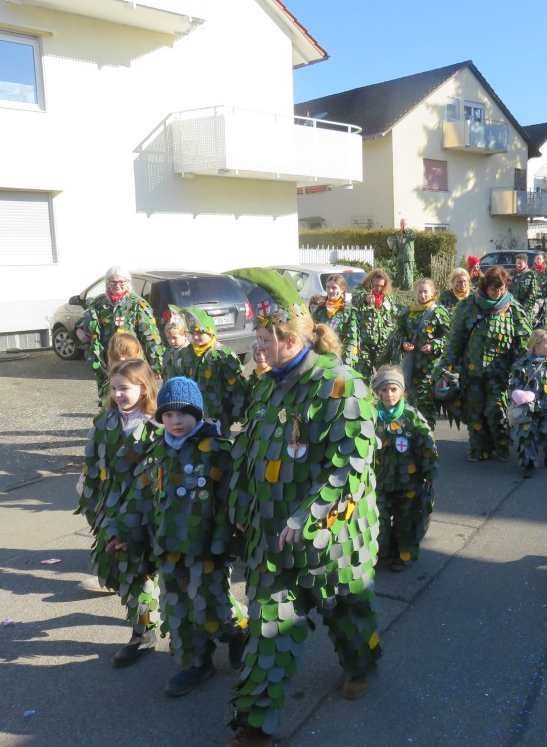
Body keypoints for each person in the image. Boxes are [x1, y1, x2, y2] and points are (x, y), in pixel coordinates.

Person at [224, 268, 381, 746]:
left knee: (346, 611)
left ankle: (362, 665)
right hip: (273, 538)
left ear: (290, 338)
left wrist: (307, 516)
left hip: (332, 538)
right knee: (269, 626)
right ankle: (255, 728)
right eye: (257, 339)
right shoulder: (268, 385)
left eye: (264, 339)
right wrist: (239, 507)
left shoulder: (341, 385)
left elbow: (351, 465)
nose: (258, 348)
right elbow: (251, 452)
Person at [137, 376, 245, 697]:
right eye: (167, 415)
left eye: (183, 413)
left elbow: (229, 500)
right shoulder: (157, 451)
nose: (175, 421)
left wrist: (226, 541)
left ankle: (239, 630)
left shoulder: (216, 450)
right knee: (177, 607)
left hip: (207, 547)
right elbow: (148, 497)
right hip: (169, 546)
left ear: (198, 413)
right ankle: (197, 663)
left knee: (209, 605)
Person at [76, 359, 162, 665]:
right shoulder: (105, 423)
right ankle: (143, 632)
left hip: (150, 511)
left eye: (124, 388)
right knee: (128, 569)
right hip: (113, 509)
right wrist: (89, 498)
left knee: (185, 579)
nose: (118, 395)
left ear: (144, 387)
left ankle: (235, 626)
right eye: (113, 389)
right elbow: (93, 466)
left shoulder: (157, 427)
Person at [437, 266, 532, 462]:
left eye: (502, 288)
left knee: (496, 409)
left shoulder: (513, 308)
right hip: (471, 371)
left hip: (500, 372)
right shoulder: (468, 306)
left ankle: (502, 444)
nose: (498, 293)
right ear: (484, 286)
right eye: (493, 289)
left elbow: (524, 340)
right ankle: (479, 448)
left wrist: (528, 364)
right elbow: (455, 339)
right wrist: (447, 365)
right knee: (475, 411)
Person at [371, 366, 439, 572]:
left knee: (406, 521)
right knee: (378, 521)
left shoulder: (412, 417)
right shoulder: (371, 416)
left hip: (408, 483)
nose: (388, 394)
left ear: (402, 391)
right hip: (378, 482)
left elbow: (428, 447)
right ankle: (382, 551)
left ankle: (403, 555)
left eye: (393, 389)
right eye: (383, 390)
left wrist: (430, 473)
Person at [75, 266, 164, 402]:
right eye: (113, 282)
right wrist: (80, 330)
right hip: (108, 360)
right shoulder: (99, 303)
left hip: (132, 359)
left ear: (127, 282)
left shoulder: (138, 304)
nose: (117, 285)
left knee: (133, 393)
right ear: (107, 283)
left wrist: (156, 365)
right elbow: (84, 322)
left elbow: (151, 337)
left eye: (121, 282)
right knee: (111, 396)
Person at [163, 308, 247, 437]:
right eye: (194, 333)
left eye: (200, 333)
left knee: (217, 444)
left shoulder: (222, 354)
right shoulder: (188, 352)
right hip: (193, 411)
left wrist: (236, 411)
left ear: (211, 333)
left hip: (217, 412)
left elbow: (237, 386)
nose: (196, 337)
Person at [507, 329, 547, 477]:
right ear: (536, 346)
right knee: (527, 435)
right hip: (527, 408)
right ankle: (528, 463)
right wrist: (517, 395)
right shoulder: (522, 364)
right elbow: (515, 384)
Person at [388, 277, 450, 427]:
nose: (423, 295)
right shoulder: (408, 312)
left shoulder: (439, 312)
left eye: (426, 292)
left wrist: (434, 345)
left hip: (430, 366)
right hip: (411, 363)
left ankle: (427, 433)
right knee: (409, 396)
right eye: (420, 292)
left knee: (425, 399)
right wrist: (404, 343)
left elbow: (448, 336)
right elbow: (399, 332)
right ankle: (412, 430)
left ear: (433, 292)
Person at [353, 268, 399, 379]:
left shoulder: (388, 297)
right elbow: (356, 297)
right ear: (370, 283)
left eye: (381, 286)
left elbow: (395, 314)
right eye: (375, 285)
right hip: (365, 342)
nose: (378, 288)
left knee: (383, 374)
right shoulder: (361, 290)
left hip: (383, 343)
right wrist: (366, 298)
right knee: (363, 374)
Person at [311, 275, 360, 369]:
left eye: (334, 288)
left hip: (339, 358)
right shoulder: (320, 309)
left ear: (343, 289)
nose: (330, 291)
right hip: (320, 357)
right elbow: (312, 331)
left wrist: (345, 364)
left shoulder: (350, 311)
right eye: (328, 287)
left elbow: (352, 340)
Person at [510, 253, 541, 325]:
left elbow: (532, 294)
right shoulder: (513, 273)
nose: (518, 265)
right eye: (517, 263)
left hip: (526, 308)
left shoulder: (530, 275)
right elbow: (508, 288)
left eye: (520, 263)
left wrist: (525, 307)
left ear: (526, 263)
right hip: (513, 306)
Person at [161, 305, 190, 377]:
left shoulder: (189, 351)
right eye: (168, 338)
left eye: (175, 338)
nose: (172, 341)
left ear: (185, 335)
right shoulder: (169, 351)